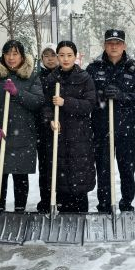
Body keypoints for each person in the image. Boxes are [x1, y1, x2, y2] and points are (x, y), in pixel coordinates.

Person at [86, 29, 135, 213]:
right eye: (110, 43)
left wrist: (123, 96)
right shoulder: (94, 68)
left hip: (126, 129)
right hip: (101, 128)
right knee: (103, 169)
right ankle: (104, 205)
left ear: (124, 46)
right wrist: (101, 96)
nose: (114, 46)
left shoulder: (134, 68)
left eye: (118, 43)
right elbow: (87, 96)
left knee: (127, 170)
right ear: (105, 45)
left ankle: (126, 204)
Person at [0, 40, 43, 212]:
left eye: (15, 54)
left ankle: (19, 210)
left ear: (22, 56)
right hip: (1, 133)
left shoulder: (31, 75)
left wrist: (18, 93)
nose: (11, 57)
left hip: (23, 134)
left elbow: (38, 101)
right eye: (8, 53)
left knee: (20, 176)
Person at [41, 41, 97, 212]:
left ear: (75, 57)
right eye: (62, 55)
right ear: (58, 56)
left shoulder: (84, 78)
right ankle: (64, 216)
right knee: (61, 178)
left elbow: (89, 104)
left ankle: (81, 214)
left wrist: (66, 102)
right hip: (58, 135)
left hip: (79, 136)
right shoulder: (51, 79)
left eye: (69, 55)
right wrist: (50, 118)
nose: (65, 59)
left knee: (79, 177)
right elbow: (44, 104)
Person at [35, 42, 58, 213]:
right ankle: (46, 199)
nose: (50, 59)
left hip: (61, 127)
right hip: (43, 129)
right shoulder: (37, 77)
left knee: (60, 166)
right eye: (46, 56)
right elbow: (38, 101)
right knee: (44, 167)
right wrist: (46, 116)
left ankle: (60, 199)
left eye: (53, 55)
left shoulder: (64, 74)